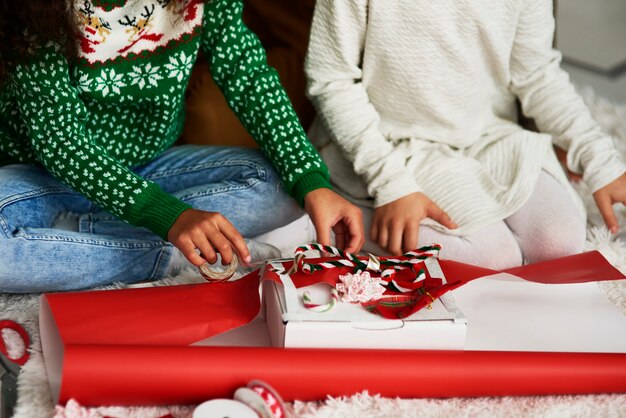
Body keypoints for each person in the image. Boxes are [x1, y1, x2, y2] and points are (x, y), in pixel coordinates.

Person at [0, 0, 364, 293]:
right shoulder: (39, 12)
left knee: (281, 186)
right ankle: (170, 255)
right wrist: (169, 217)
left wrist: (310, 178)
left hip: (150, 166)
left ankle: (76, 240)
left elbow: (247, 73)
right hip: (43, 177)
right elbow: (60, 141)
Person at [305, 0, 626, 269]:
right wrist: (390, 183)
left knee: (559, 240)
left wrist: (597, 157)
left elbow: (537, 74)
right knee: (491, 258)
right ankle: (337, 219)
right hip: (386, 143)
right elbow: (331, 79)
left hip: (487, 134)